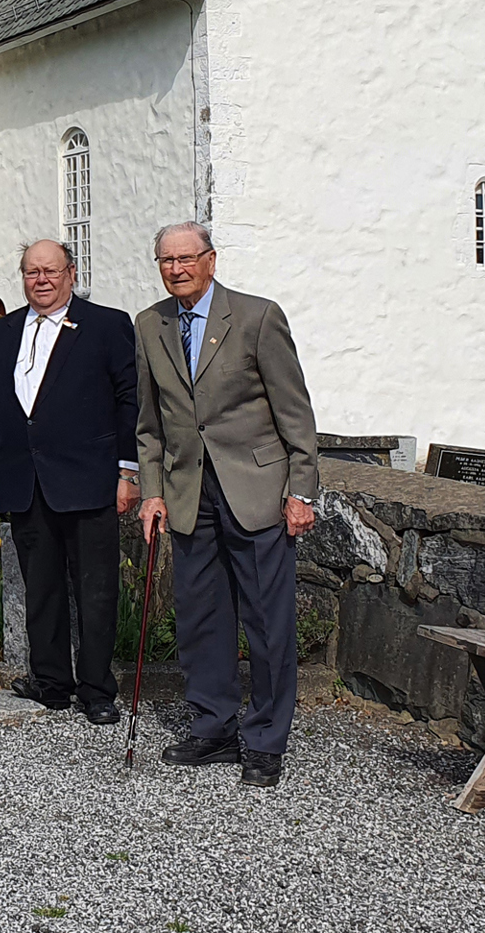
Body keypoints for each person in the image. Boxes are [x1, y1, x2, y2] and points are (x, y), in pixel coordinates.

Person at [136, 221, 319, 788]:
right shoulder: (150, 325)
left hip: (258, 491)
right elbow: (149, 425)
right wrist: (152, 492)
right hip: (191, 495)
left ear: (211, 260)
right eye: (167, 260)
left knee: (267, 622)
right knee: (201, 619)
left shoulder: (258, 317)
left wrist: (301, 490)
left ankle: (264, 740)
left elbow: (296, 413)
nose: (177, 269)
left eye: (187, 258)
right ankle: (212, 727)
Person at [0, 239, 140, 724]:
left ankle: (97, 690)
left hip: (89, 480)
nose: (41, 280)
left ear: (71, 273)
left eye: (51, 270)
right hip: (25, 480)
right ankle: (51, 682)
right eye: (32, 272)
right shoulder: (4, 331)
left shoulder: (107, 324)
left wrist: (128, 471)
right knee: (41, 587)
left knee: (95, 590)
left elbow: (129, 399)